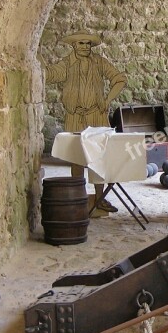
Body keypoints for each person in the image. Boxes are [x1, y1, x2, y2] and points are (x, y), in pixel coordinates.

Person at [46, 30, 127, 212]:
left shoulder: (99, 62)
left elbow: (119, 79)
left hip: (97, 115)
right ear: (74, 45)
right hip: (75, 116)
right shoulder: (67, 63)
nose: (84, 47)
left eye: (87, 44)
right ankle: (79, 197)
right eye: (81, 43)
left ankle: (100, 198)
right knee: (76, 158)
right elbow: (51, 75)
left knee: (98, 158)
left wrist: (107, 101)